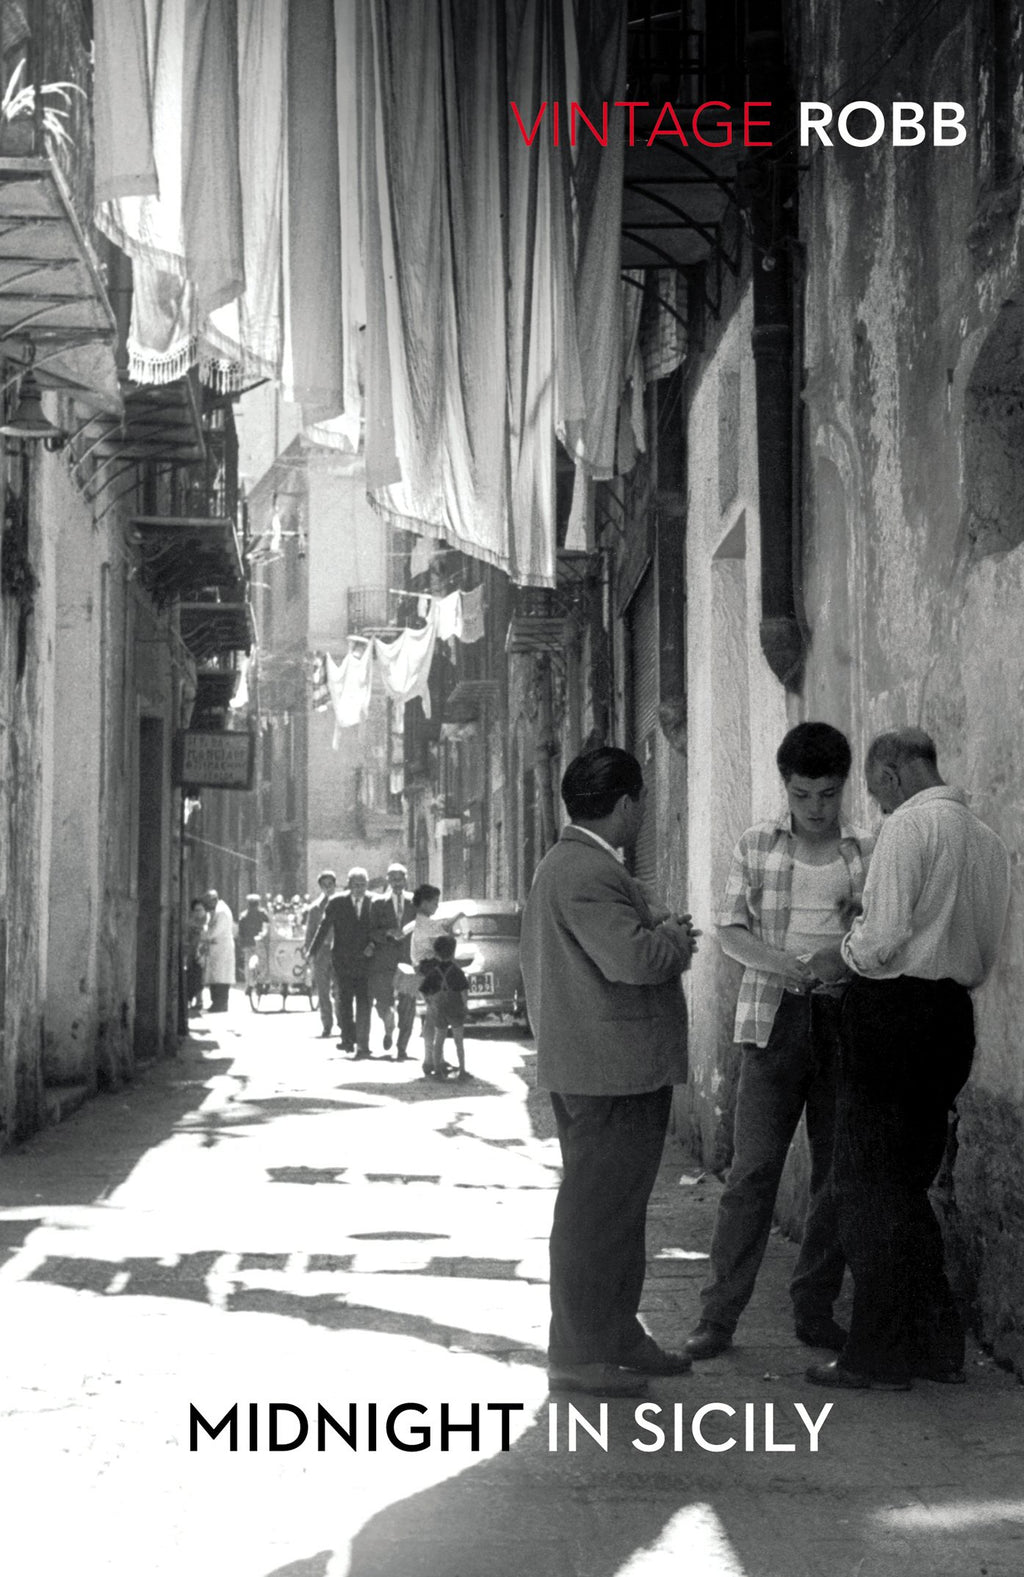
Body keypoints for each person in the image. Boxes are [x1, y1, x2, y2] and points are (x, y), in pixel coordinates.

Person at [804, 727, 1011, 1391]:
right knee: (904, 1185)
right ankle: (934, 1341)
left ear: (892, 772)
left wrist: (843, 953)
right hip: (950, 1018)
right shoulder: (986, 840)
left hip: (893, 1016)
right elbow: (982, 945)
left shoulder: (908, 826)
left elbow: (884, 938)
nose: (880, 803)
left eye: (877, 790)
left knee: (865, 1186)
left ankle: (877, 1353)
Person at [685, 722, 874, 1362]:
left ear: (843, 786)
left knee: (836, 1173)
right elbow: (729, 929)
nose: (815, 808)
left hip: (843, 1021)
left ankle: (813, 1309)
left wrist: (839, 956)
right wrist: (784, 965)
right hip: (773, 1020)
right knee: (753, 1171)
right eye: (802, 795)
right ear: (785, 787)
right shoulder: (756, 844)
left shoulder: (867, 851)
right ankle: (717, 1318)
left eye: (827, 794)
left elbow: (879, 936)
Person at [520, 745, 699, 1398]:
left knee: (617, 1214)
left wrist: (657, 927)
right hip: (609, 1072)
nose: (642, 813)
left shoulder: (577, 864)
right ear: (626, 804)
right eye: (641, 801)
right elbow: (634, 960)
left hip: (607, 1068)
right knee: (596, 1217)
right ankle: (577, 1352)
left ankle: (617, 1335)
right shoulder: (586, 870)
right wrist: (674, 938)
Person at [308, 866, 375, 1057]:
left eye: (363, 885)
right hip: (342, 961)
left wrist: (373, 945)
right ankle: (348, 1037)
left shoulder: (374, 902)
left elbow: (379, 928)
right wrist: (312, 951)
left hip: (365, 961)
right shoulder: (337, 902)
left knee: (364, 1002)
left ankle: (362, 1043)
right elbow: (323, 927)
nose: (359, 889)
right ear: (349, 885)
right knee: (344, 1001)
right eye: (356, 885)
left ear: (367, 885)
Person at [369, 861, 415, 1059]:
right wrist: (388, 932)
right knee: (383, 1002)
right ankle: (389, 1026)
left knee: (408, 1004)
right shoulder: (378, 903)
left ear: (406, 880)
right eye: (393, 879)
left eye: (400, 879)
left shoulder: (414, 902)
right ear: (388, 880)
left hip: (408, 961)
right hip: (384, 960)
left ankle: (402, 1046)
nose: (397, 883)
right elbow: (371, 932)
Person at [418, 933, 470, 1079]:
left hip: (440, 1009)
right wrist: (465, 1005)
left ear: (436, 953)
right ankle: (462, 1070)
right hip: (455, 1009)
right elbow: (464, 992)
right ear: (453, 952)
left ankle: (437, 1070)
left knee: (439, 1040)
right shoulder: (457, 971)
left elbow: (422, 990)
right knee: (458, 1041)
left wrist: (429, 1002)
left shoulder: (433, 972)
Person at [304, 870, 338, 1038]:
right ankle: (327, 1024)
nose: (328, 887)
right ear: (320, 887)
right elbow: (310, 933)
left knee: (340, 990)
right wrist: (309, 954)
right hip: (321, 952)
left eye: (330, 884)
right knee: (323, 992)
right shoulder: (315, 908)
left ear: (335, 885)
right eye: (324, 885)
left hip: (339, 951)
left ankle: (343, 1022)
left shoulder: (342, 904)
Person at [202, 889, 236, 1012]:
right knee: (215, 976)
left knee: (220, 977)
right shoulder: (217, 910)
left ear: (214, 900)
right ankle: (217, 1003)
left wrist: (204, 934)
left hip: (222, 948)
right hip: (217, 948)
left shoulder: (221, 912)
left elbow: (214, 931)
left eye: (208, 902)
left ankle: (220, 1004)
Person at [236, 893, 270, 980]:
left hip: (247, 943)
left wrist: (241, 943)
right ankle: (259, 981)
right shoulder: (263, 914)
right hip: (260, 943)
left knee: (248, 962)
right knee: (261, 962)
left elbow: (240, 932)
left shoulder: (243, 916)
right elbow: (268, 926)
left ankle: (249, 982)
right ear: (258, 903)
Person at [185, 897, 208, 1013]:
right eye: (196, 910)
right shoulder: (190, 922)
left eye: (200, 910)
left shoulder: (208, 921)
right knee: (193, 975)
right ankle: (193, 999)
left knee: (200, 977)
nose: (198, 913)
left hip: (203, 952)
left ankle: (199, 1000)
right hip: (192, 952)